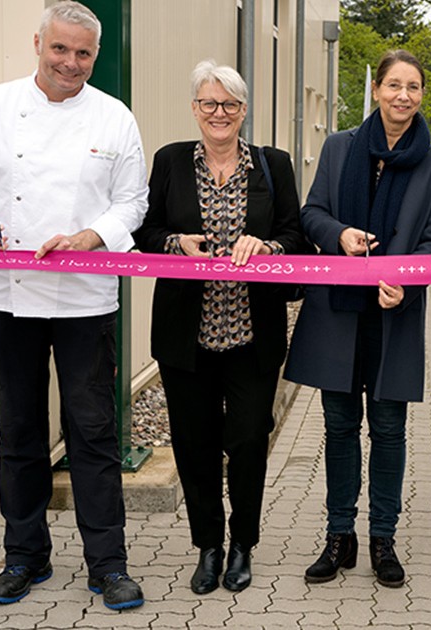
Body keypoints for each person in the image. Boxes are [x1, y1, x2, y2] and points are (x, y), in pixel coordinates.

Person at [0, 1, 147, 610]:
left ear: (95, 55)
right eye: (60, 48)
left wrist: (92, 236)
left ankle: (108, 564)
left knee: (92, 430)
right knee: (18, 428)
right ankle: (24, 555)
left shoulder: (114, 117)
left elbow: (133, 202)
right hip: (4, 292)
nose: (70, 62)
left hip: (85, 297)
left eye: (83, 52)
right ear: (38, 42)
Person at [283, 49, 431, 589]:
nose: (403, 95)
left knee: (388, 429)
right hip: (338, 313)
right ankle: (339, 535)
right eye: (394, 85)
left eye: (414, 86)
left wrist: (405, 283)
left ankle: (383, 537)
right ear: (377, 89)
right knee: (338, 427)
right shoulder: (339, 147)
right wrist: (339, 235)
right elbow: (311, 213)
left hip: (393, 313)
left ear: (422, 95)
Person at [132, 60, 304, 595]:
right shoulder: (171, 161)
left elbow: (296, 237)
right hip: (186, 337)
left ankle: (242, 544)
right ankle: (207, 545)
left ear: (243, 110)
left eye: (229, 104)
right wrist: (175, 243)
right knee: (194, 444)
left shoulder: (272, 165)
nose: (219, 113)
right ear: (194, 108)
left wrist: (268, 247)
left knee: (249, 441)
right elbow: (144, 230)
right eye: (209, 103)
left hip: (253, 336)